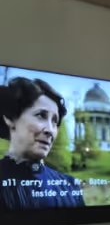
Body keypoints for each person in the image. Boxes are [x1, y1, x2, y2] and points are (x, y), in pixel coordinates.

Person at [0, 77, 85, 210]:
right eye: (40, 115)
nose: (50, 130)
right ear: (11, 119)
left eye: (55, 122)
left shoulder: (69, 186)